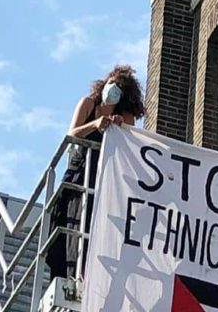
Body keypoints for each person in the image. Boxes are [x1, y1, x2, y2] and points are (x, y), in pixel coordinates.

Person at [46, 65, 146, 281]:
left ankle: (87, 272)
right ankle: (66, 274)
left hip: (104, 177)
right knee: (71, 218)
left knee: (94, 220)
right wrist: (95, 124)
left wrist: (120, 129)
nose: (113, 89)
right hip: (80, 169)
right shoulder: (88, 104)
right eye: (111, 83)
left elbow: (131, 145)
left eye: (119, 87)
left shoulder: (125, 116)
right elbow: (71, 133)